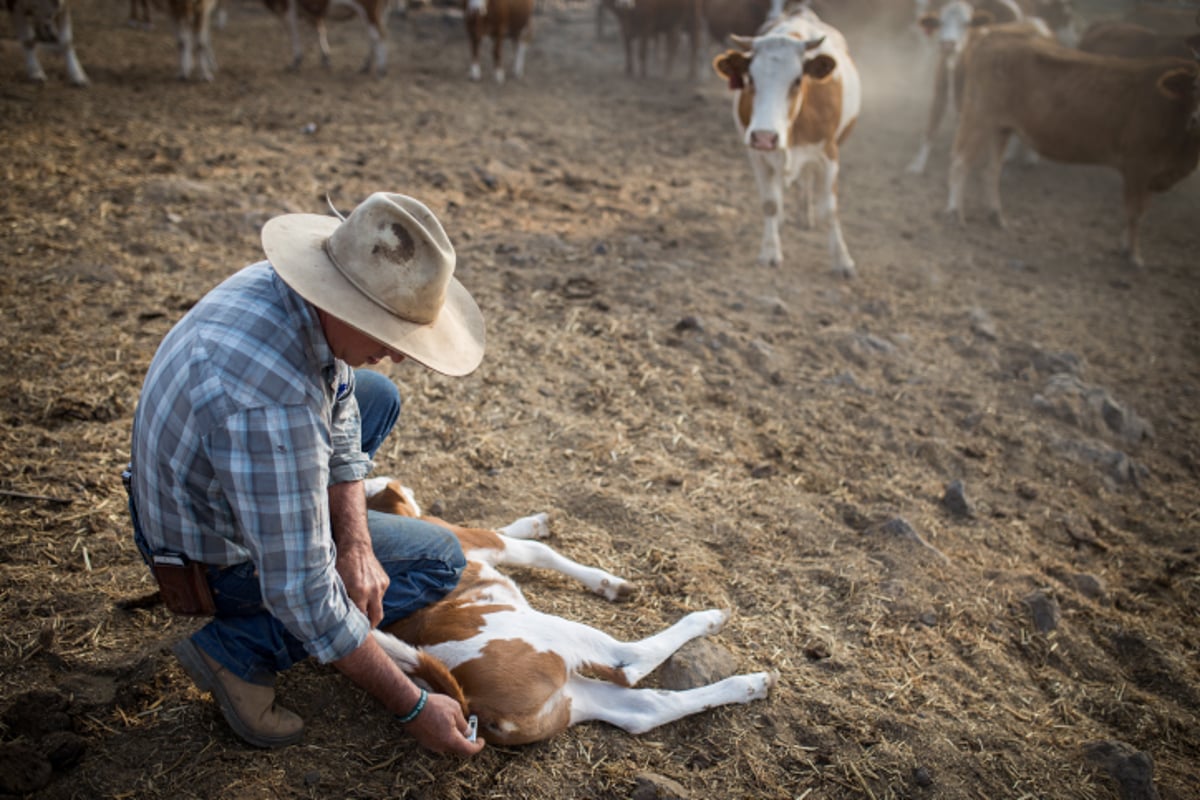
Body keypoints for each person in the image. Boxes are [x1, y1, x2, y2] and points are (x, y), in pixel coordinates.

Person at [124, 192, 487, 755]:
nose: (399, 355)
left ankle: (301, 536)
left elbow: (341, 402)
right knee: (439, 561)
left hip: (204, 492)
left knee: (377, 396)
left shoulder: (292, 293)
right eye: (389, 335)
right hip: (206, 558)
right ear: (345, 305)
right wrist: (411, 705)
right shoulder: (273, 407)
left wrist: (356, 543)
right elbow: (304, 595)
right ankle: (238, 650)